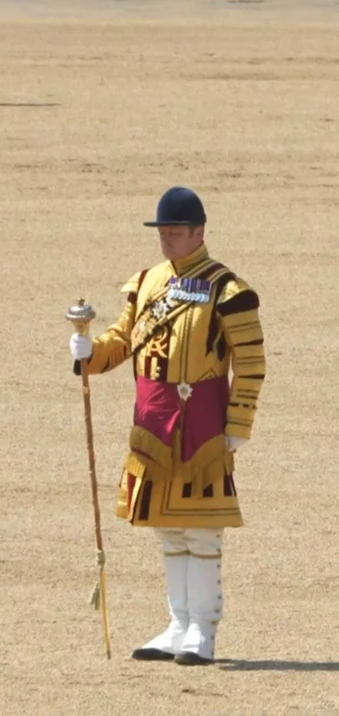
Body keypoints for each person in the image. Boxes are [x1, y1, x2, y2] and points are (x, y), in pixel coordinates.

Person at [67, 186, 266, 664]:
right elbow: (123, 340)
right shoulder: (146, 282)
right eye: (163, 233)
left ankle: (204, 628)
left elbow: (252, 363)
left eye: (176, 233)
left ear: (199, 232)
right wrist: (92, 355)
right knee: (167, 530)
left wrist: (238, 421)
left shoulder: (228, 290)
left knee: (201, 531)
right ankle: (179, 623)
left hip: (202, 424)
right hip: (152, 422)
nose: (168, 242)